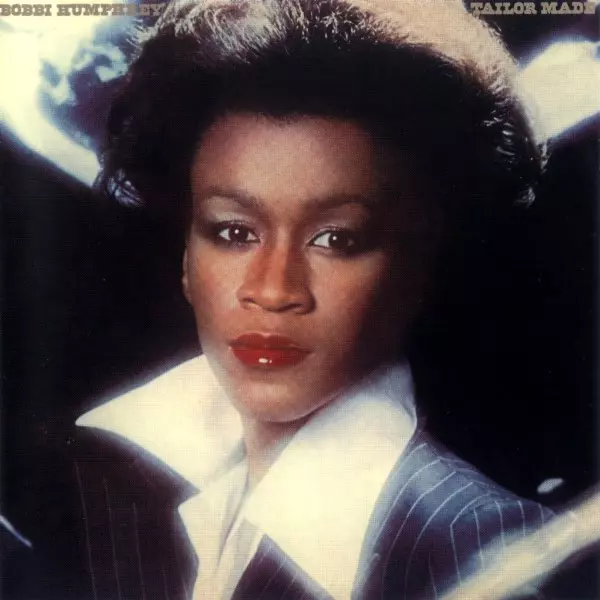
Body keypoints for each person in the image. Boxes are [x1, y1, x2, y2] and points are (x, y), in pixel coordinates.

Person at [33, 1, 553, 599]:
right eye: (234, 232)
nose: (274, 289)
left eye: (337, 239)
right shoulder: (79, 476)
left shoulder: (497, 557)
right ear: (186, 258)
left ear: (421, 267)